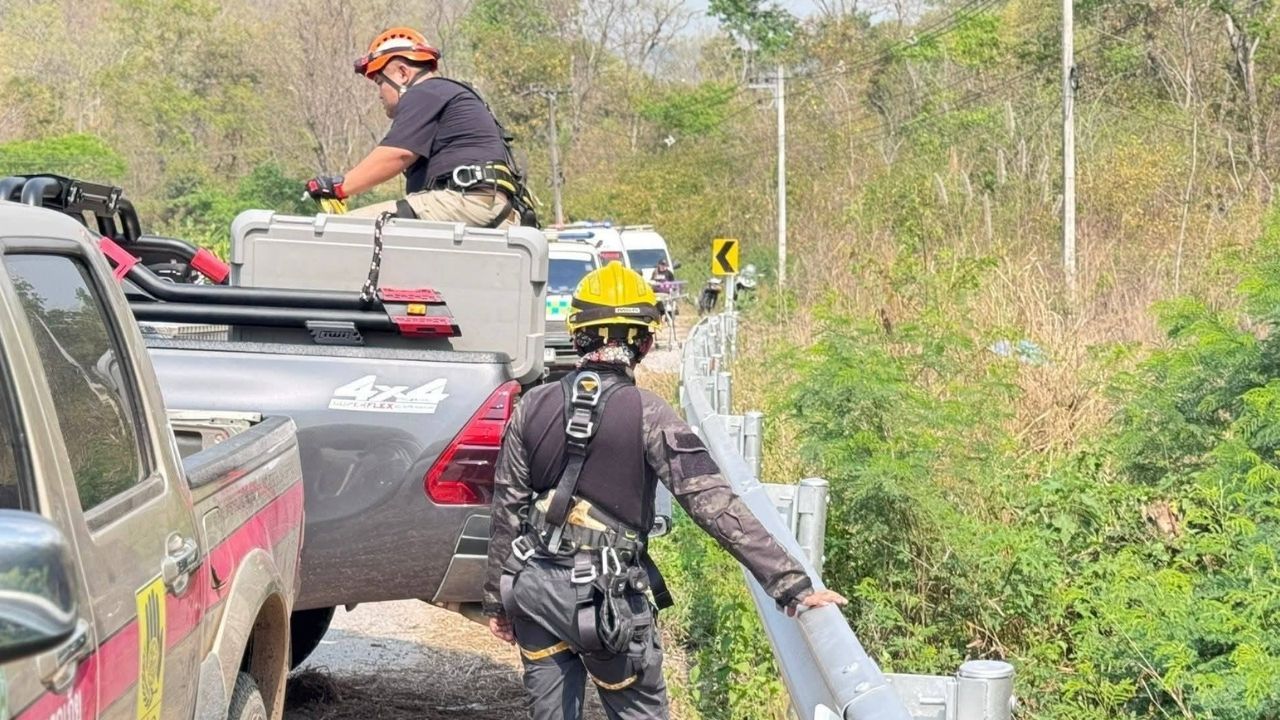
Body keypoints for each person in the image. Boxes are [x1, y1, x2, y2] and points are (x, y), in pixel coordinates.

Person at [484, 262, 846, 719]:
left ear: (577, 338)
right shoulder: (650, 414)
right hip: (607, 599)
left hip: (536, 591)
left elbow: (507, 511)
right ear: (647, 343)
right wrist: (791, 583)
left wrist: (498, 601)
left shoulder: (532, 405)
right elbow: (713, 504)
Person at [303, 27, 537, 228]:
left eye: (380, 82)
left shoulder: (426, 92)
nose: (379, 94)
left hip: (466, 202)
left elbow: (396, 154)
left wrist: (340, 187)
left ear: (403, 73)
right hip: (489, 207)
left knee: (343, 231)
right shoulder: (449, 95)